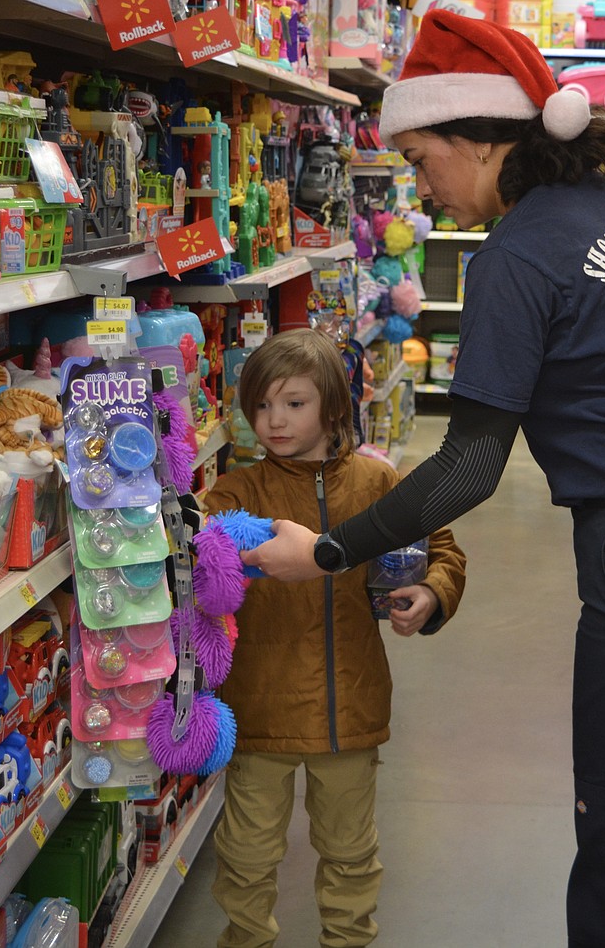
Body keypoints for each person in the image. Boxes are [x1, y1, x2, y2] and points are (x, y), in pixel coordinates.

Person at [243, 10, 605, 948]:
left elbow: (471, 462)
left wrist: (331, 548)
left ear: (478, 137)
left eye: (421, 159)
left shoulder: (519, 254)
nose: (420, 187)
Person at [204, 328, 466, 948]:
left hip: (351, 704)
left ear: (333, 406)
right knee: (246, 853)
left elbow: (445, 551)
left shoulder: (379, 487)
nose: (274, 420)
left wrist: (430, 594)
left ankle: (348, 940)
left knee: (350, 851)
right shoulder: (238, 493)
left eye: (294, 404)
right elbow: (198, 560)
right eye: (262, 406)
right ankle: (246, 939)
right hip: (259, 707)